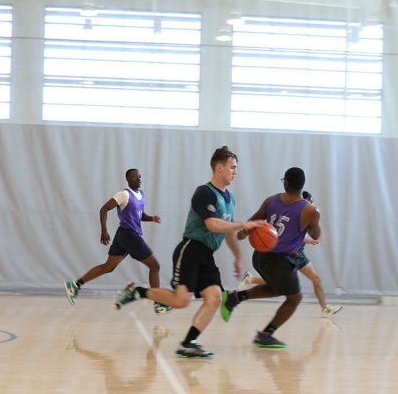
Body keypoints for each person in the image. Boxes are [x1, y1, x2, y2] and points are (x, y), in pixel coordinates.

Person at [113, 145, 263, 359]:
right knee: (182, 300)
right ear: (219, 167)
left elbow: (227, 229)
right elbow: (213, 225)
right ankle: (137, 291)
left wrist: (238, 256)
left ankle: (189, 342)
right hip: (190, 250)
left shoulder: (230, 198)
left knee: (214, 298)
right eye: (233, 167)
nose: (235, 171)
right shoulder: (204, 193)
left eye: (236, 168)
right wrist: (244, 224)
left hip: (207, 254)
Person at [219, 166, 322, 349]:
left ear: (286, 183)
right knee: (295, 298)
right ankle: (266, 334)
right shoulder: (311, 211)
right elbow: (315, 235)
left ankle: (234, 298)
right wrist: (315, 219)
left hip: (259, 256)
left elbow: (252, 222)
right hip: (279, 260)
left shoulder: (271, 200)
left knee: (277, 289)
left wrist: (242, 234)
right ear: (302, 185)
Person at [64, 168, 172, 314]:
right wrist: (104, 230)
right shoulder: (123, 194)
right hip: (129, 236)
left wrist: (151, 218)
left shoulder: (141, 195)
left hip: (124, 236)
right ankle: (158, 303)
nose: (138, 178)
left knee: (108, 267)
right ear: (128, 179)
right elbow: (103, 209)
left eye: (139, 176)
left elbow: (139, 215)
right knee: (155, 266)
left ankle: (75, 285)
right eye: (134, 176)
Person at [237, 190, 341, 318]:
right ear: (304, 199)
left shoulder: (308, 213)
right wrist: (313, 239)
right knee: (279, 286)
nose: (310, 204)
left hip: (299, 255)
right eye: (309, 201)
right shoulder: (296, 212)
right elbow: (295, 236)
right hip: (287, 255)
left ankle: (324, 308)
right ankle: (248, 284)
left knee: (316, 278)